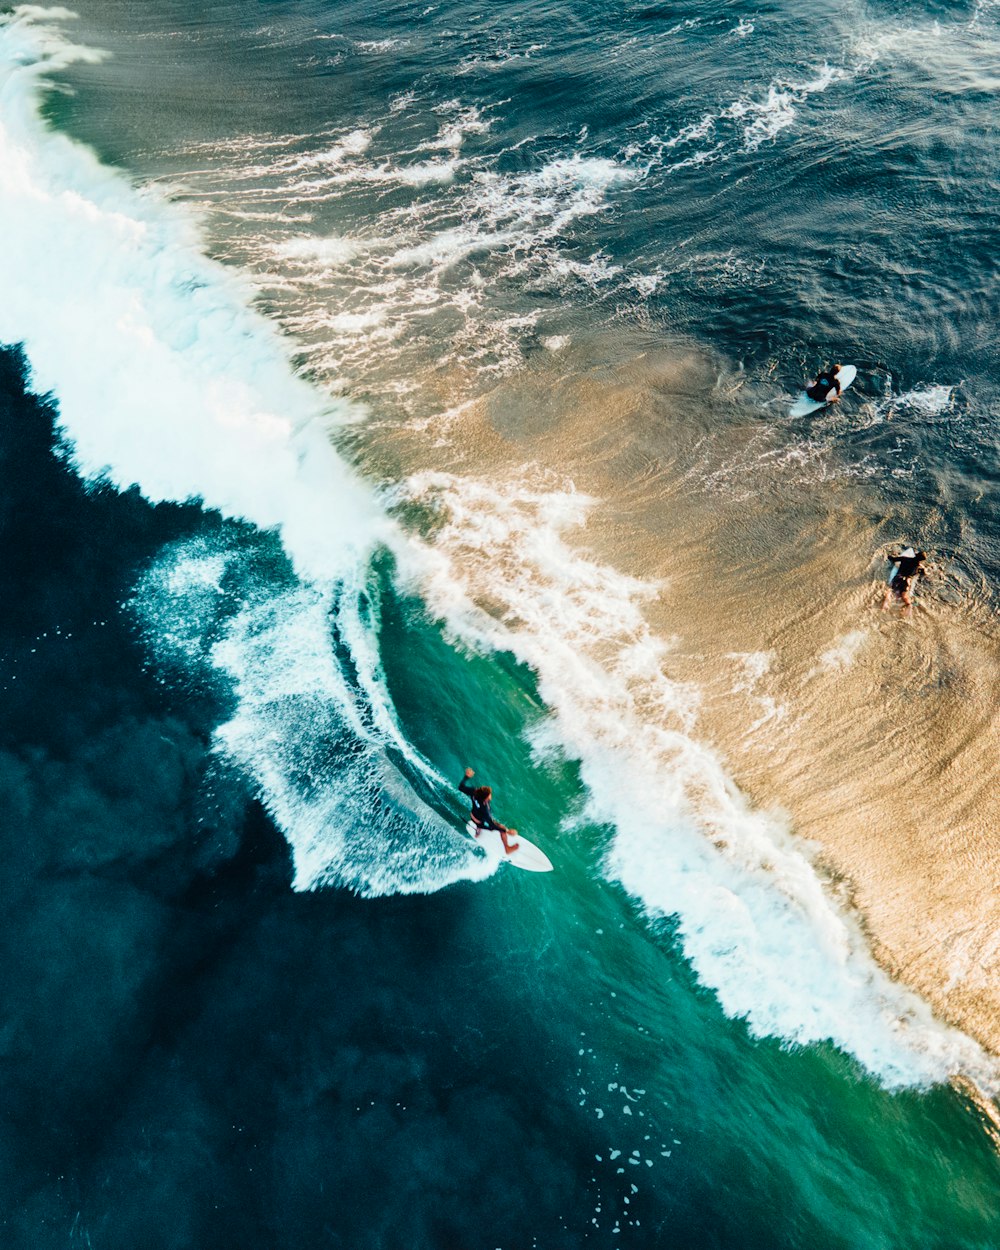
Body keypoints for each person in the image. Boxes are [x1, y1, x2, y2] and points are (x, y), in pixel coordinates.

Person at [459, 767, 519, 854]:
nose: (491, 796)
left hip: (473, 816)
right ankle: (507, 848)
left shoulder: (474, 792)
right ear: (485, 799)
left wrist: (466, 777)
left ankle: (478, 830)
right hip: (479, 820)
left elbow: (461, 787)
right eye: (489, 795)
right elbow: (491, 825)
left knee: (482, 821)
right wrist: (507, 831)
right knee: (501, 827)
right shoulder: (485, 810)